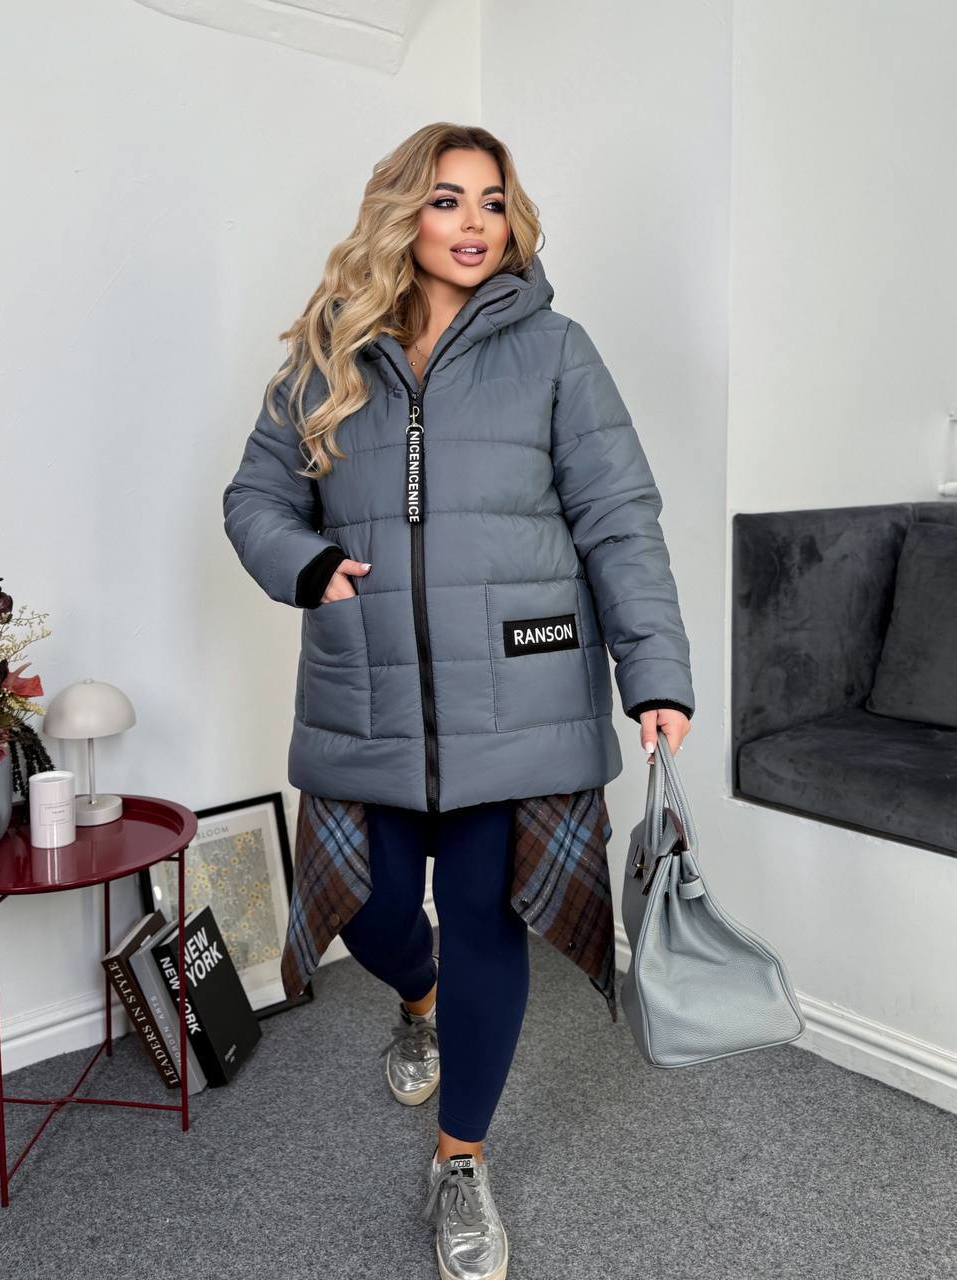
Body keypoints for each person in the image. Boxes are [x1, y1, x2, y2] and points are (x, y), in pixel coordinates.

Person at [222, 122, 695, 1280]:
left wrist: (655, 671)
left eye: (492, 200)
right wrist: (308, 565)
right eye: (447, 199)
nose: (474, 222)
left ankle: (461, 1158)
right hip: (368, 690)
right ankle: (417, 991)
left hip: (519, 699)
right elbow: (253, 497)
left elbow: (620, 518)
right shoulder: (328, 355)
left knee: (486, 916)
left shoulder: (557, 351)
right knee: (373, 908)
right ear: (404, 212)